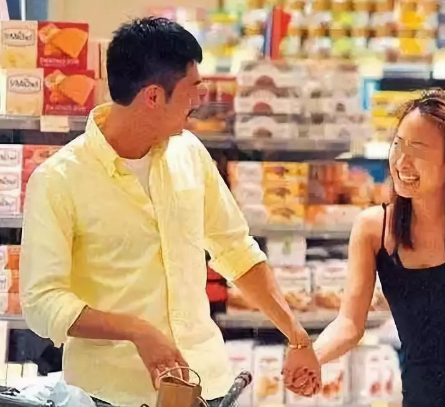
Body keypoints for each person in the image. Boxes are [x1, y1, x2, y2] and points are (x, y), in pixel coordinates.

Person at [20, 17, 320, 407]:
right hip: (109, 395)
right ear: (153, 96)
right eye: (192, 88)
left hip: (203, 386)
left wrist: (297, 336)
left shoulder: (189, 153)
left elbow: (236, 251)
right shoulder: (58, 179)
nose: (200, 99)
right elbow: (42, 302)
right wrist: (136, 331)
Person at [286, 90, 445, 406]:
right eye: (398, 145)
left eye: (417, 150)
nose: (401, 161)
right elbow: (349, 324)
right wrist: (313, 357)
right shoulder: (374, 228)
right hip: (422, 395)